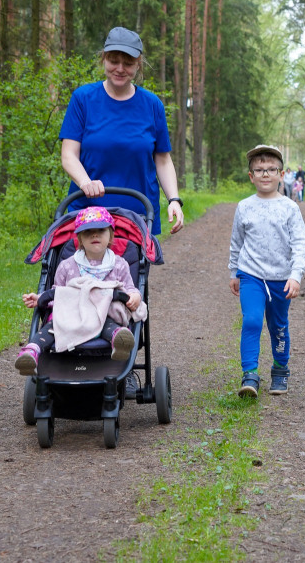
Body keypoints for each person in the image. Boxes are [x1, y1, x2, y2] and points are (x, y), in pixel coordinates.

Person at [59, 26, 184, 237]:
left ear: (138, 65)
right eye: (113, 61)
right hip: (88, 215)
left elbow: (162, 160)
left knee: (131, 271)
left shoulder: (152, 105)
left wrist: (174, 199)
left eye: (128, 63)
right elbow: (69, 154)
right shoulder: (83, 99)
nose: (120, 68)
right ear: (104, 59)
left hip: (138, 217)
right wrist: (85, 182)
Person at [16, 206, 147, 375]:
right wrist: (40, 298)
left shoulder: (119, 264)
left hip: (103, 315)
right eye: (88, 232)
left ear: (110, 235)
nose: (94, 235)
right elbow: (59, 293)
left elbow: (129, 287)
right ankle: (32, 351)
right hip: (72, 315)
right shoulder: (67, 265)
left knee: (105, 319)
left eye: (100, 230)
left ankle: (119, 339)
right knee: (53, 324)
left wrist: (135, 296)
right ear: (79, 238)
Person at [228, 145, 305, 397]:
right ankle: (250, 374)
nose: (265, 174)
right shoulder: (244, 206)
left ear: (281, 174)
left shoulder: (289, 208)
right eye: (259, 170)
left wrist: (295, 276)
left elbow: (300, 244)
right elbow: (236, 242)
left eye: (271, 170)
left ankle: (280, 370)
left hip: (281, 279)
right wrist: (234, 272)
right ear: (251, 176)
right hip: (251, 275)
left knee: (278, 326)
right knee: (251, 321)